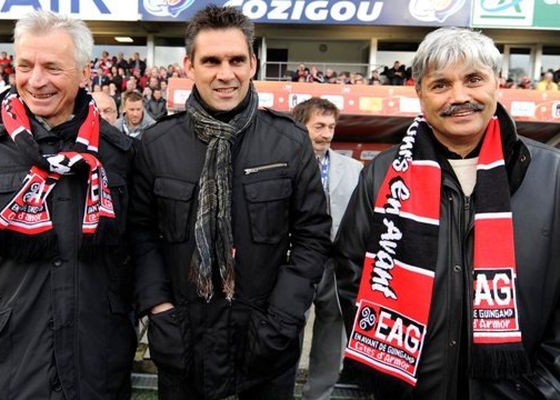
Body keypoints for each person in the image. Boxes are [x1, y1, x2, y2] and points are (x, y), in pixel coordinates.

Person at [335, 26, 560, 400]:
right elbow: (351, 270)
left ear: (497, 82)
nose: (460, 97)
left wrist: (544, 387)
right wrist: (389, 360)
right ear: (418, 92)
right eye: (440, 85)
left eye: (473, 79)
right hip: (411, 389)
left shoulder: (552, 174)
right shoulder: (383, 173)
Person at [129, 5, 331, 400]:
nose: (226, 73)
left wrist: (283, 317)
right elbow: (139, 236)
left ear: (253, 63)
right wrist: (160, 309)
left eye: (237, 59)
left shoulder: (290, 143)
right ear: (189, 65)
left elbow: (313, 236)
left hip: (265, 347)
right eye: (211, 61)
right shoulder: (155, 146)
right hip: (183, 346)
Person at [0, 10, 136, 399]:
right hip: (0, 375)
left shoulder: (121, 155)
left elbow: (134, 257)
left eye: (53, 68)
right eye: (25, 66)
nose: (36, 81)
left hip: (98, 370)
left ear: (84, 72)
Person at [292, 98, 363, 400]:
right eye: (318, 126)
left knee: (332, 334)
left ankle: (318, 395)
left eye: (331, 127)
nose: (326, 134)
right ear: (301, 126)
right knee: (287, 329)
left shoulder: (355, 168)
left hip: (336, 265)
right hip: (293, 262)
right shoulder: (285, 164)